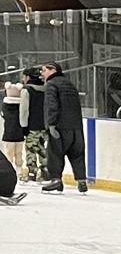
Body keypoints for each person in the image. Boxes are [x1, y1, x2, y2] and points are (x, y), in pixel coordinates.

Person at [39, 62, 87, 194]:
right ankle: (81, 180)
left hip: (60, 126)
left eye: (44, 70)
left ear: (53, 70)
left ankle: (56, 180)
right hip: (76, 126)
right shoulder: (70, 84)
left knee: (54, 153)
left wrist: (51, 124)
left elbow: (51, 105)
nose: (42, 74)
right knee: (77, 154)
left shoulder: (51, 84)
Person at [21, 69, 48, 183]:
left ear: (28, 77)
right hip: (44, 125)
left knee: (31, 149)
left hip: (32, 125)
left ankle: (32, 172)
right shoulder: (46, 89)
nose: (23, 79)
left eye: (24, 77)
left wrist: (23, 126)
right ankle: (46, 172)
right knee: (42, 149)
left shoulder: (27, 90)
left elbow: (24, 110)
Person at [2, 73, 25, 181]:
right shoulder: (21, 106)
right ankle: (19, 172)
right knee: (19, 155)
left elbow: (3, 115)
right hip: (19, 135)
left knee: (9, 155)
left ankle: (9, 173)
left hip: (8, 135)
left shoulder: (5, 107)